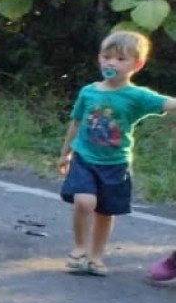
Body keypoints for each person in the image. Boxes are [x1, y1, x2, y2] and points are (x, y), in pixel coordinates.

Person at [56, 28, 173, 275]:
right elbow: (75, 122)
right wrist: (65, 152)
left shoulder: (136, 96)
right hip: (84, 158)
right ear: (100, 59)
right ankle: (79, 247)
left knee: (105, 212)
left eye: (121, 59)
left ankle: (96, 256)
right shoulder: (88, 92)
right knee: (84, 201)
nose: (112, 63)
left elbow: (167, 103)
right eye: (107, 57)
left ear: (137, 65)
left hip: (115, 164)